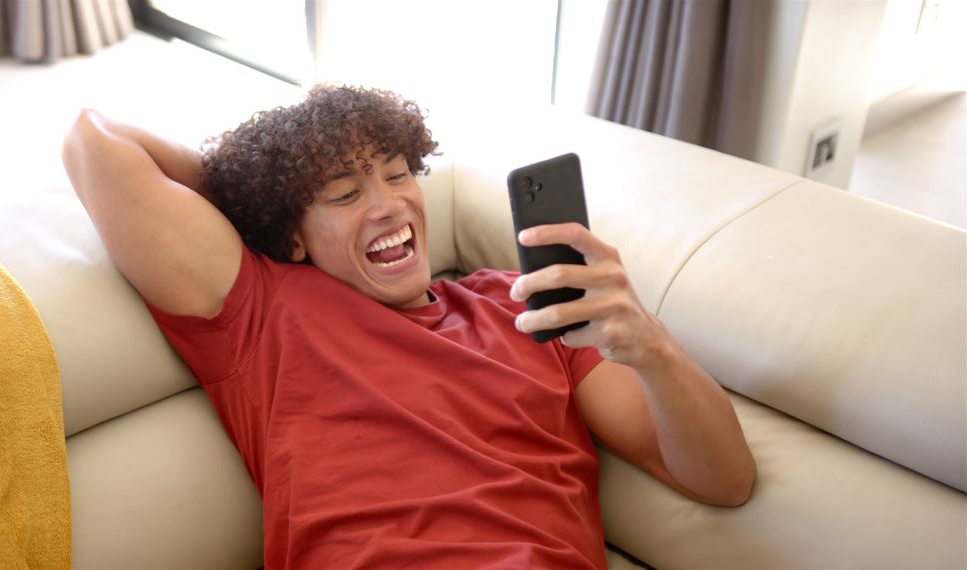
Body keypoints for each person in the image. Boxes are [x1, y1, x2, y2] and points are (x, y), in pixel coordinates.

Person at [61, 84, 755, 569]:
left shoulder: (526, 308)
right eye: (342, 193)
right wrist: (262, 193)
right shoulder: (262, 310)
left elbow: (724, 481)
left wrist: (651, 346)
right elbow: (95, 142)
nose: (389, 206)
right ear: (292, 235)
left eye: (397, 175)